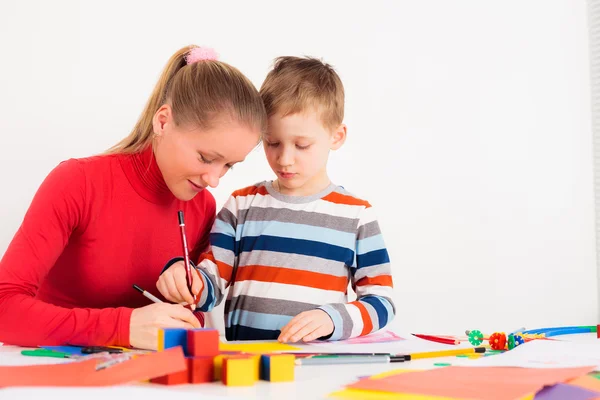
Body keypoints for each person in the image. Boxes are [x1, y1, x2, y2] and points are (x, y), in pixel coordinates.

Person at [0, 45, 266, 350]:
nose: (214, 181)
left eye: (229, 165)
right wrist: (122, 327)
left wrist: (186, 311)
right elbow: (4, 309)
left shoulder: (202, 206)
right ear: (163, 121)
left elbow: (188, 320)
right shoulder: (78, 183)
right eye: (206, 157)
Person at [157, 56, 395, 343]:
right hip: (247, 361)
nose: (285, 159)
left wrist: (331, 319)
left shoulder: (357, 215)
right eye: (272, 143)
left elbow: (382, 302)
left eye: (302, 145)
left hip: (315, 365)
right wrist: (186, 281)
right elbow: (211, 286)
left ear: (337, 136)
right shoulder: (241, 206)